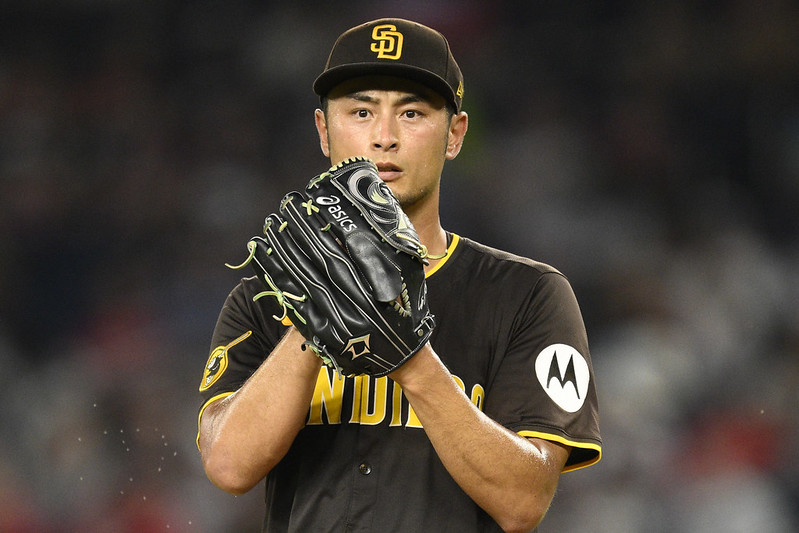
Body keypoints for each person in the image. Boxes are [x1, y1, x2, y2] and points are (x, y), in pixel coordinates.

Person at [197, 18, 601, 533]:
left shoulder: (527, 296)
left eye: (412, 113)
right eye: (361, 112)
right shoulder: (265, 295)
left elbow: (524, 501)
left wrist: (410, 358)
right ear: (324, 131)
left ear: (455, 135)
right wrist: (317, 313)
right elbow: (229, 466)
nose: (384, 138)